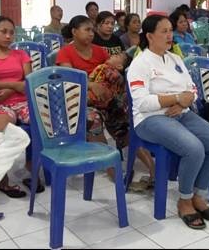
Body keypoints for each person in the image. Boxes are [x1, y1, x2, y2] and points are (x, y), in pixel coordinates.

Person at [127, 14, 209, 230]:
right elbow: (142, 102)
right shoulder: (140, 63)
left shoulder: (175, 59)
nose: (170, 35)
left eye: (170, 30)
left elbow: (192, 88)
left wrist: (183, 102)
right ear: (150, 36)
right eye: (164, 31)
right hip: (150, 119)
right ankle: (184, 200)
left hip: (180, 111)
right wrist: (175, 98)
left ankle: (198, 196)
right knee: (194, 148)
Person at [58, 16, 154, 182]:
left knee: (124, 122)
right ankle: (115, 173)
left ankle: (153, 169)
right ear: (74, 32)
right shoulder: (65, 52)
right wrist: (91, 85)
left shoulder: (99, 50)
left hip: (104, 99)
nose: (90, 34)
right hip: (79, 101)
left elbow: (111, 69)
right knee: (92, 120)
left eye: (91, 30)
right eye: (86, 30)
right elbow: (69, 78)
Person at [0, 15, 43, 198]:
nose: (8, 36)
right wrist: (13, 86)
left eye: (11, 32)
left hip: (23, 102)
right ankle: (3, 179)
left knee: (40, 124)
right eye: (3, 32)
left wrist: (12, 89)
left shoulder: (21, 54)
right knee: (6, 132)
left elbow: (28, 81)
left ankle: (31, 167)